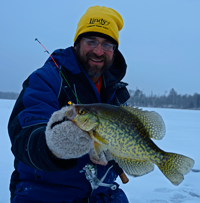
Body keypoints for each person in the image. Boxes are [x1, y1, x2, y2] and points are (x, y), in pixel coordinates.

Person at [8, 5, 130, 203]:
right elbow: (24, 135)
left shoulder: (115, 90)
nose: (99, 51)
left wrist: (117, 150)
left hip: (105, 194)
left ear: (114, 51)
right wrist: (54, 145)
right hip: (45, 194)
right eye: (91, 41)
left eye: (107, 44)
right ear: (77, 43)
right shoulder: (47, 79)